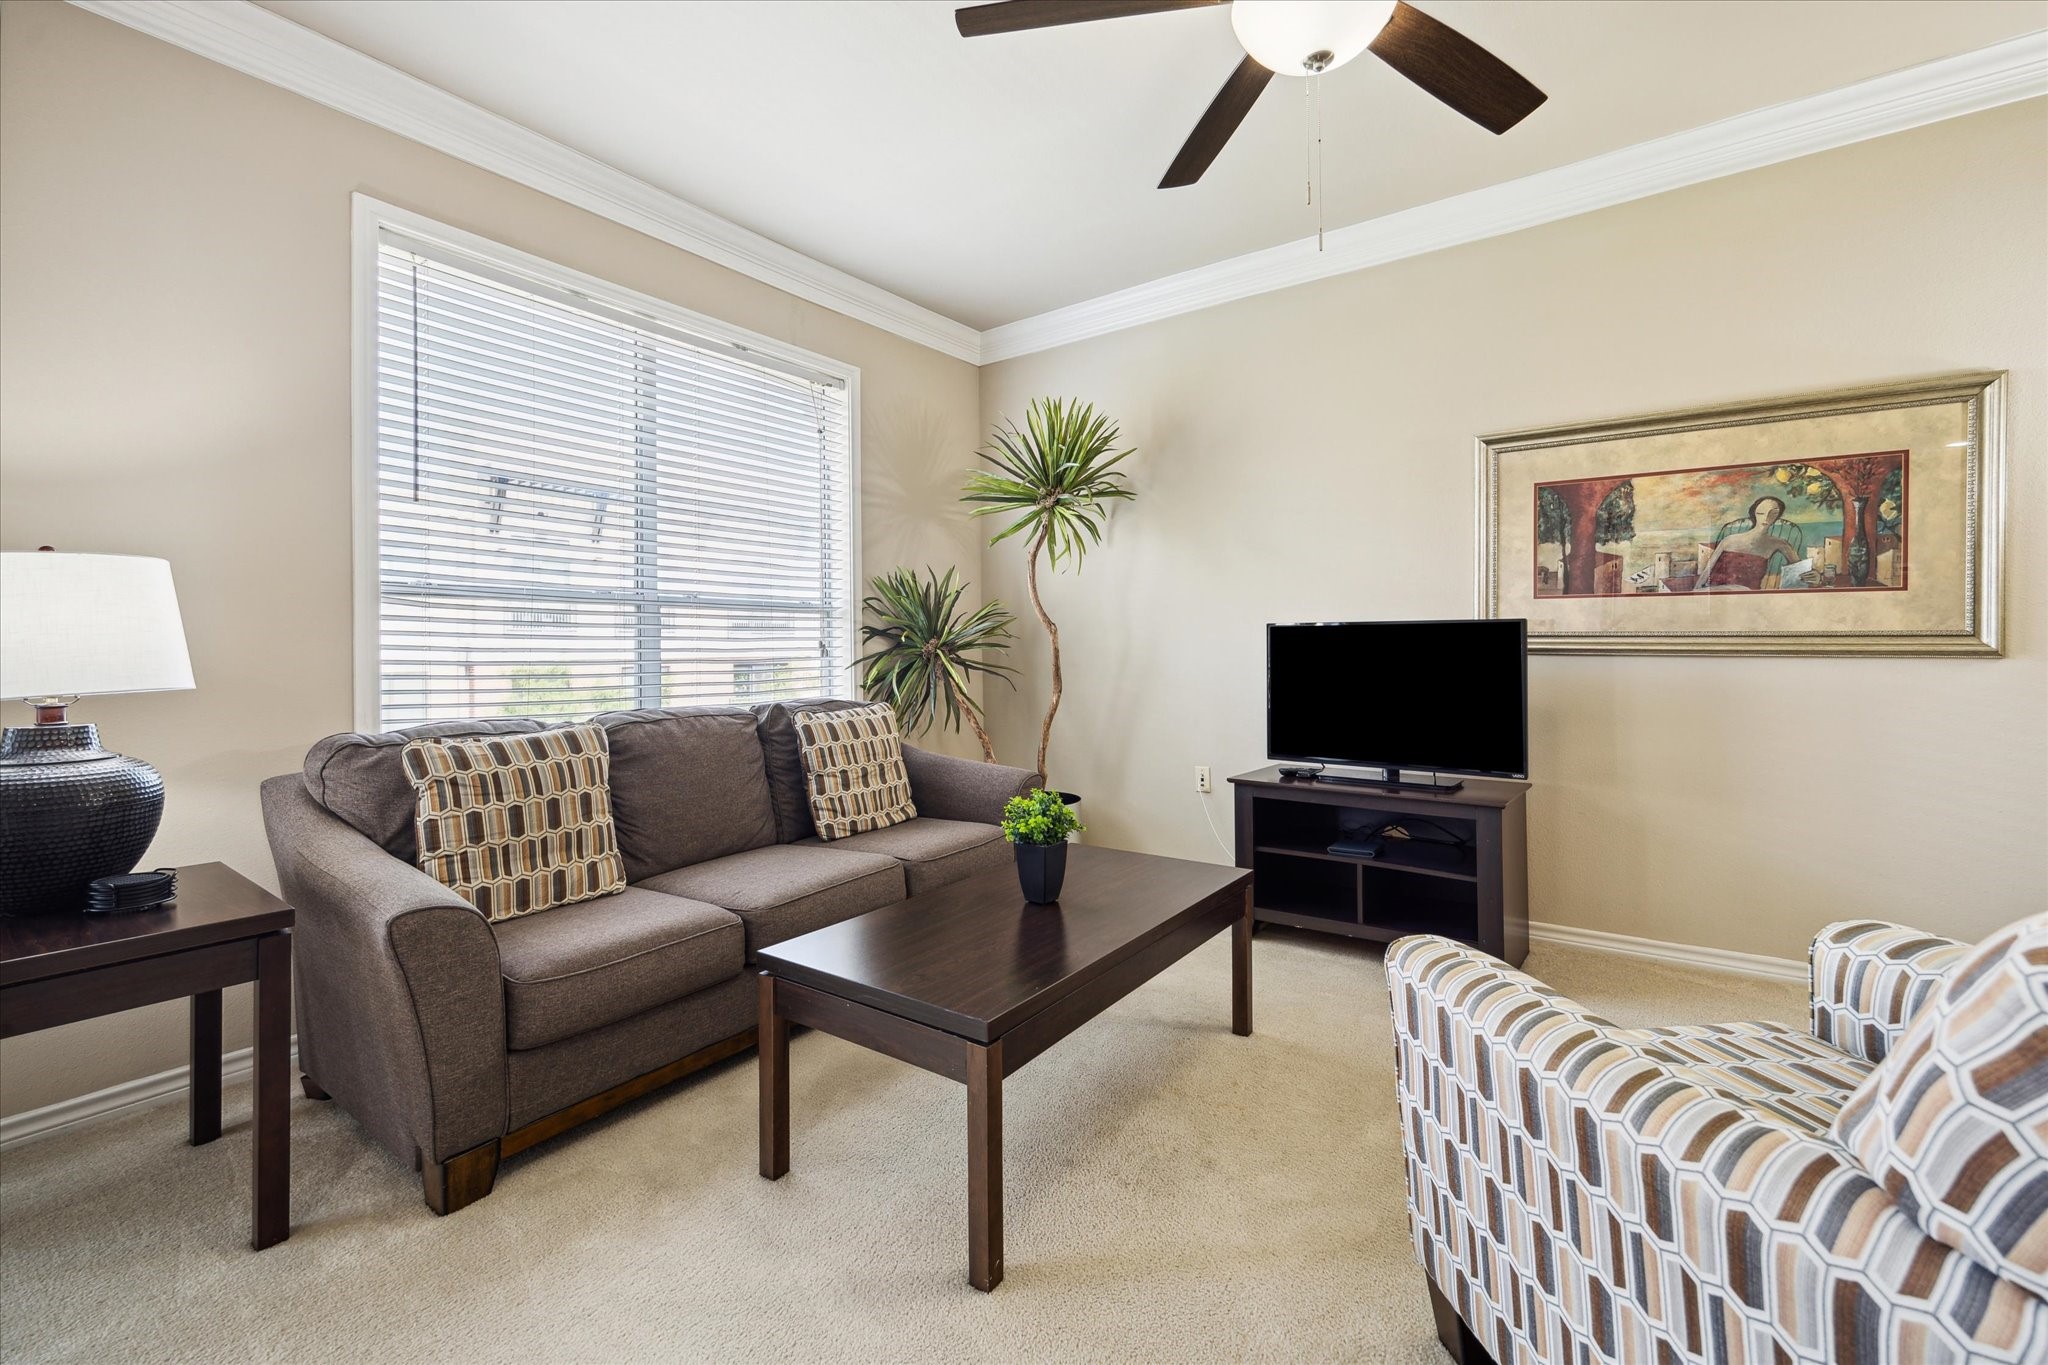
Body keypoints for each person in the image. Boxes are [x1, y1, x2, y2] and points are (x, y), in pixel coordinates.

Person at [1696, 495, 1807, 590]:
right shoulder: (1729, 540)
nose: (1766, 517)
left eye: (1773, 513)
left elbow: (1802, 572)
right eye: (1761, 513)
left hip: (1748, 595)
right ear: (1754, 513)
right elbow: (1706, 573)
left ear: (1778, 516)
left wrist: (1812, 577)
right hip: (1717, 592)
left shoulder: (1780, 543)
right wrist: (1696, 592)